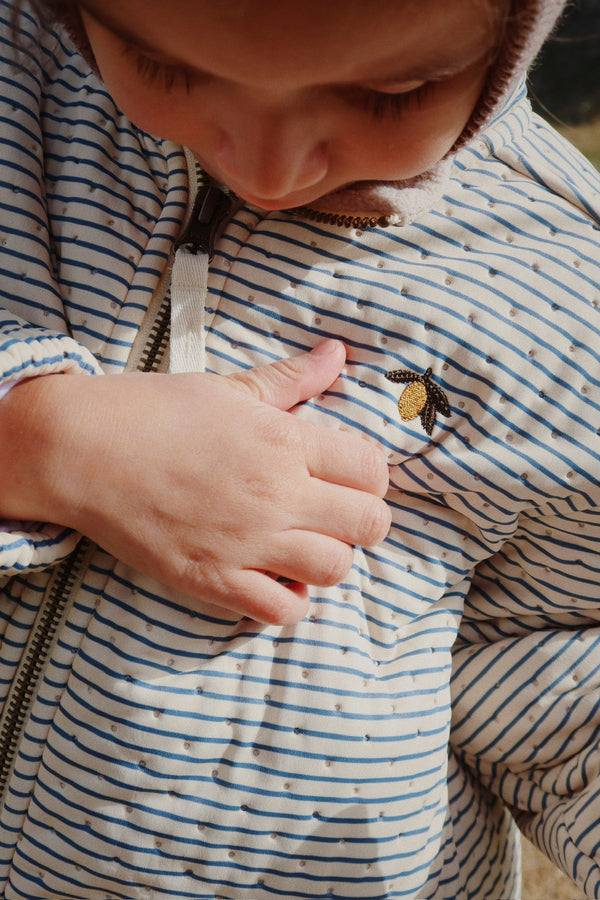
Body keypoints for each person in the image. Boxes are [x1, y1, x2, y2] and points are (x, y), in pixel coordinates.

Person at [1, 0, 599, 897]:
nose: (268, 167)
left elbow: (554, 652)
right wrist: (46, 440)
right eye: (167, 68)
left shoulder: (559, 294)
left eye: (389, 92)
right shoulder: (20, 89)